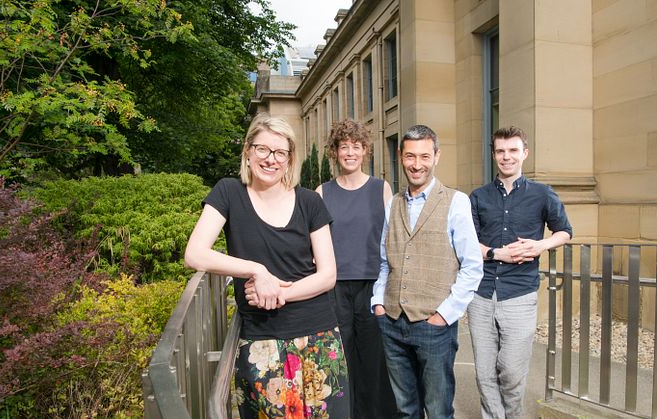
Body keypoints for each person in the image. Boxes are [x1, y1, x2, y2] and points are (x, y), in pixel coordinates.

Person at [184, 113, 349, 418]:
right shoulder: (229, 193)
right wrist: (257, 271)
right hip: (261, 340)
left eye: (280, 152)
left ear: (289, 159)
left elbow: (327, 275)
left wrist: (278, 292)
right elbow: (195, 253)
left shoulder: (310, 202)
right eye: (262, 149)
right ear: (247, 150)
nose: (270, 159)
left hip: (317, 336)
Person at [371, 124, 484, 419]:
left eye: (424, 156)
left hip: (434, 325)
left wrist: (444, 315)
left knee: (438, 410)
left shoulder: (456, 202)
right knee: (406, 409)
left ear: (436, 157)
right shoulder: (393, 204)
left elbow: (472, 267)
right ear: (401, 156)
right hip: (392, 321)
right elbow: (385, 261)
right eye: (410, 156)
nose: (416, 164)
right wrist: (379, 303)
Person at [468, 126, 572, 419]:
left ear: (524, 153)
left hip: (520, 294)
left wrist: (541, 245)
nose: (506, 157)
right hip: (482, 294)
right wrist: (494, 253)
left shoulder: (542, 194)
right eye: (500, 151)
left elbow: (565, 231)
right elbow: (466, 242)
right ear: (494, 155)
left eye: (513, 150)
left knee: (511, 371)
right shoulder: (478, 196)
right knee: (485, 373)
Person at [315, 119, 397, 419]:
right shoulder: (322, 192)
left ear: (366, 151)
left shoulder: (381, 189)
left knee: (374, 359)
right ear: (335, 152)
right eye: (344, 147)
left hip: (373, 285)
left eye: (356, 147)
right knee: (340, 358)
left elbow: (392, 239)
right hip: (334, 286)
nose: (350, 152)